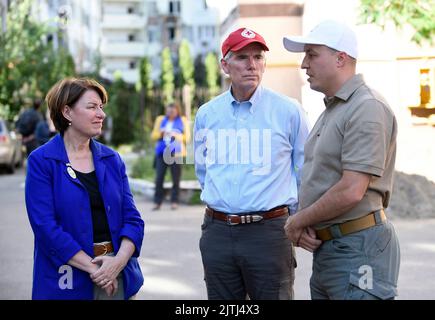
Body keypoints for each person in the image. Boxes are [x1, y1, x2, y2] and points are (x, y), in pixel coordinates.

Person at [282, 20, 400, 300]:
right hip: (332, 249)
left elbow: (351, 190)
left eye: (312, 54)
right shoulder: (335, 109)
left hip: (359, 250)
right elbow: (323, 180)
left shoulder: (366, 107)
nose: (303, 65)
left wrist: (297, 222)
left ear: (340, 58)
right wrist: (307, 224)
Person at [194, 27, 309, 300]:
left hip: (269, 232)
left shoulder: (288, 111)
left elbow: (305, 169)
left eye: (257, 57)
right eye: (242, 57)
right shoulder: (208, 114)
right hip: (218, 232)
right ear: (225, 65)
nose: (251, 65)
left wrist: (294, 217)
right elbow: (203, 170)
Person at [25, 77, 145, 300]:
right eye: (91, 107)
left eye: (101, 107)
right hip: (67, 278)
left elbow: (133, 220)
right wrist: (94, 269)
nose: (101, 114)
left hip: (117, 273)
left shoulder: (112, 159)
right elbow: (45, 227)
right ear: (67, 112)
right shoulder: (42, 161)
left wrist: (116, 264)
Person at [150, 102, 190, 210]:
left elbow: (188, 138)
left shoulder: (183, 120)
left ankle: (174, 201)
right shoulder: (160, 119)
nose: (170, 113)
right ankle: (157, 202)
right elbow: (153, 136)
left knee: (176, 178)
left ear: (177, 111)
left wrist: (176, 135)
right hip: (161, 152)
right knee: (159, 178)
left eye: (172, 111)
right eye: (168, 111)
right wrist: (161, 134)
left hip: (176, 151)